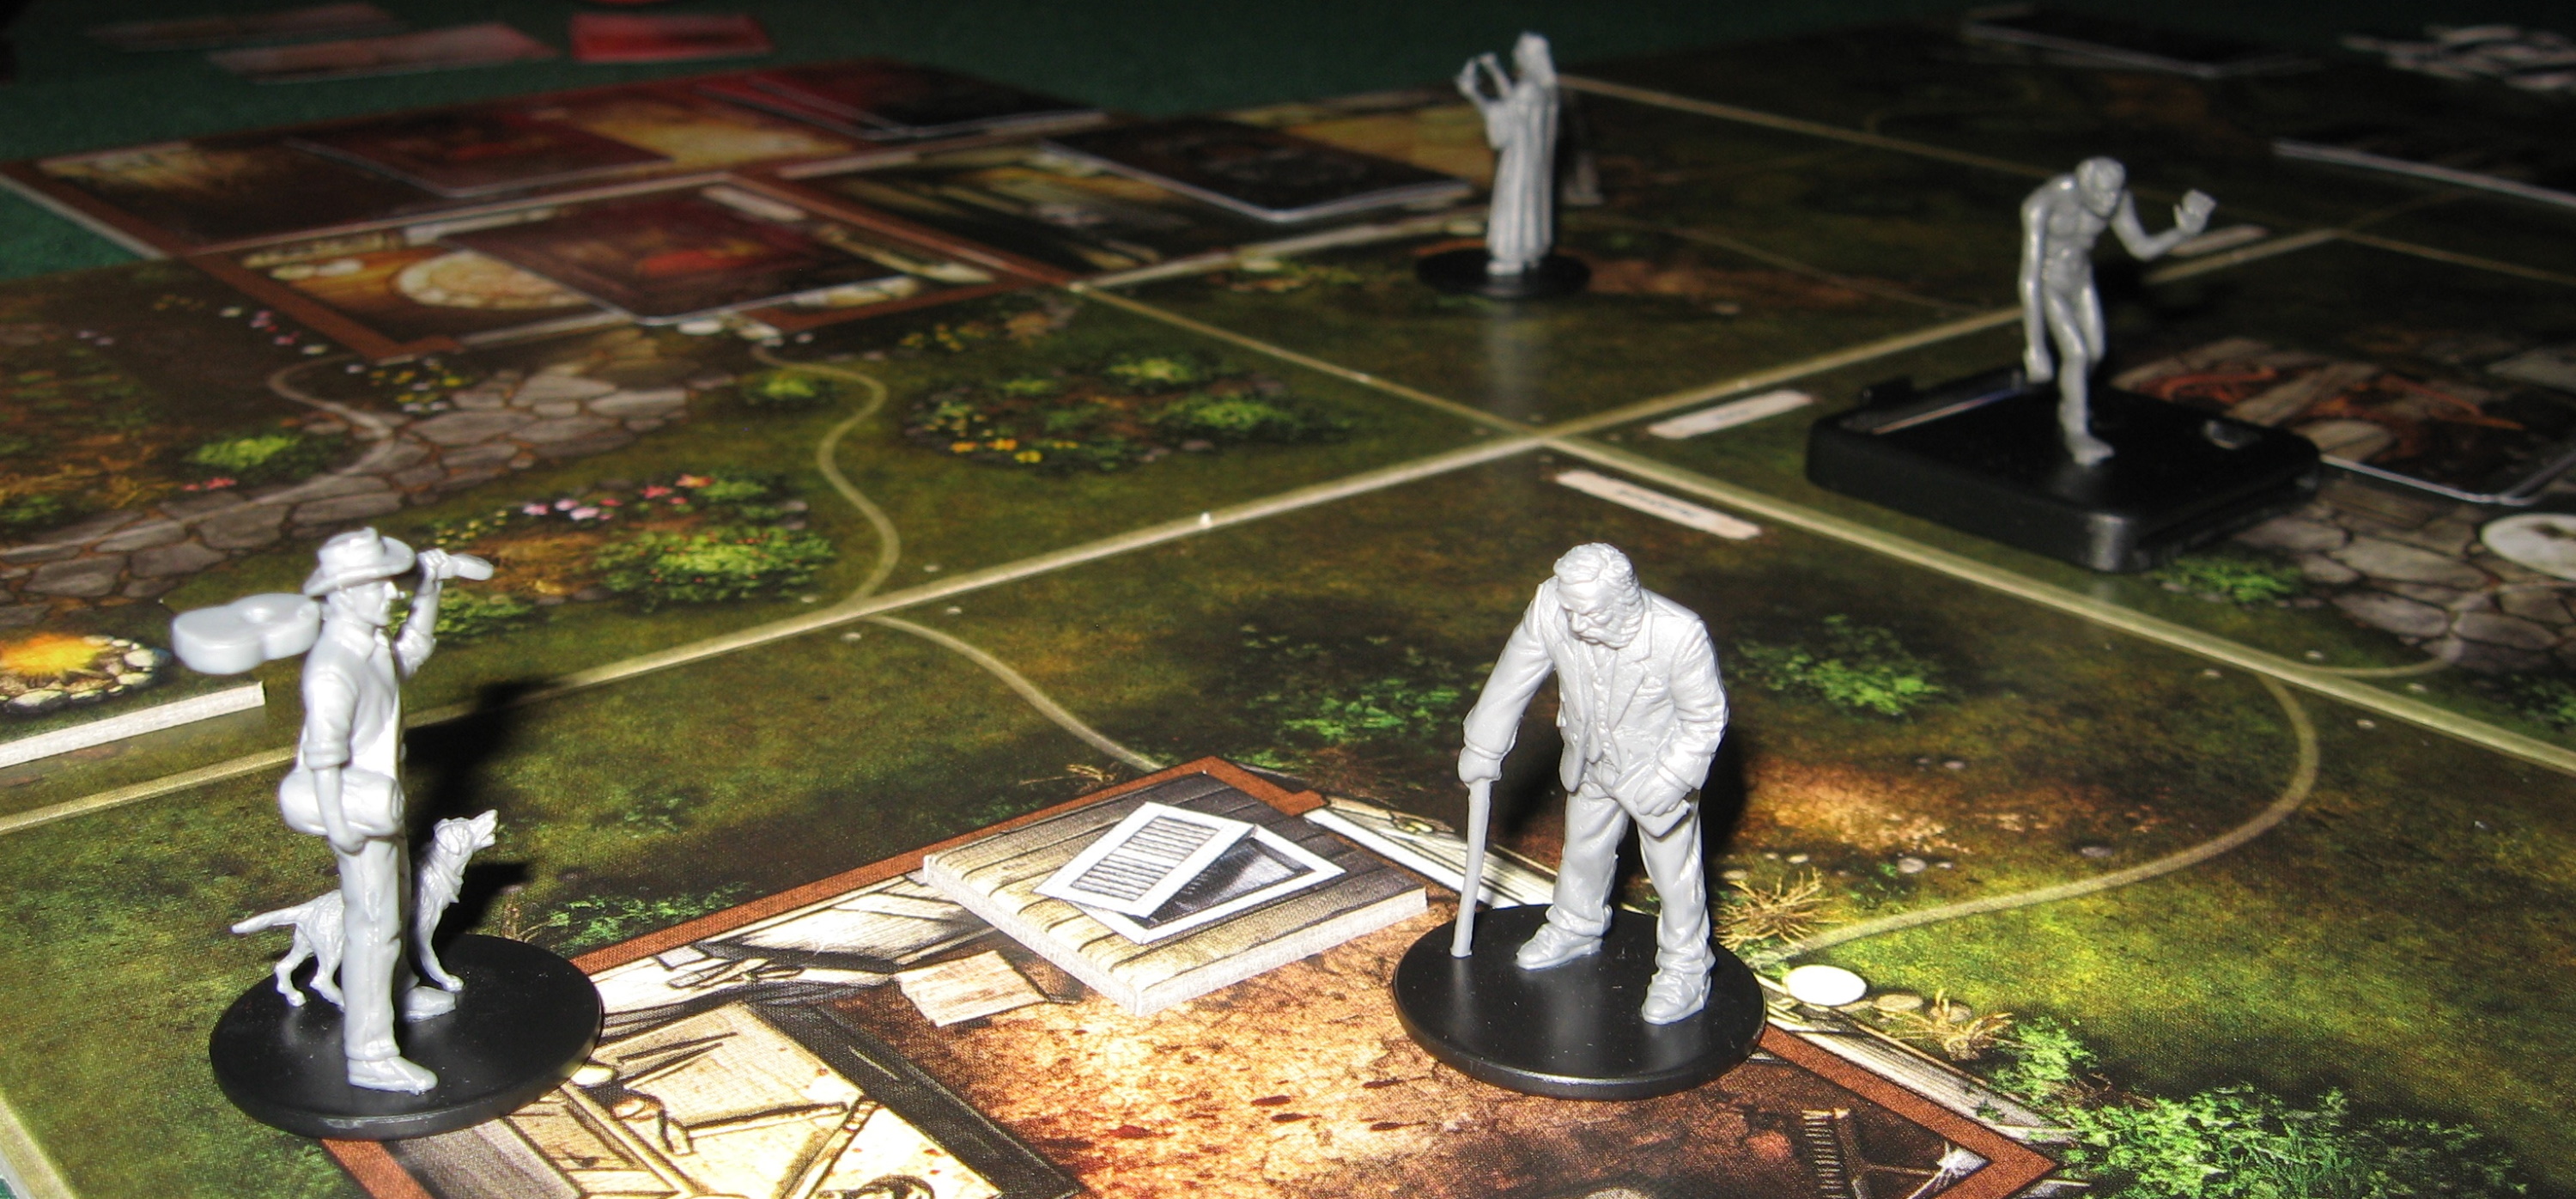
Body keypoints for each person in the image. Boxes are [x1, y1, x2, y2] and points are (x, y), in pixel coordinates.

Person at [1456, 543, 1728, 1023]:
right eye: (1572, 612)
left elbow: (1705, 718)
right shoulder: (1553, 603)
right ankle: (1576, 925)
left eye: (1593, 614)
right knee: (1583, 850)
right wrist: (1483, 746)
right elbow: (1514, 675)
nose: (1578, 625)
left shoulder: (1678, 633)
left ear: (1626, 600)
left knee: (1674, 874)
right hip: (1589, 758)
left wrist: (1671, 777)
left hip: (1654, 771)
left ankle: (1686, 967)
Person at [277, 529, 472, 1093]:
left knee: (401, 904)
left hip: (384, 803)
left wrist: (430, 589)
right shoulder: (334, 668)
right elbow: (323, 758)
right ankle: (369, 1053)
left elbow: (415, 649)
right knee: (374, 926)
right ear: (342, 594)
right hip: (357, 811)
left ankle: (399, 990)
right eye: (377, 585)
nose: (391, 593)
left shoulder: (371, 645)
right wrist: (345, 831)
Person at [2020, 156, 2215, 466]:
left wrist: (2183, 232)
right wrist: (2035, 347)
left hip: (2081, 280)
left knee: (2096, 354)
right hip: (2049, 282)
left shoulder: (2120, 200)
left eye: (2114, 192)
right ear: (2084, 187)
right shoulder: (2044, 202)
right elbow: (2029, 276)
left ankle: (2072, 402)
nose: (2110, 200)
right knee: (2077, 354)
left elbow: (2141, 248)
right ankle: (2077, 430)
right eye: (2102, 193)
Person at [1457, 32, 1560, 277]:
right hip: (1531, 158)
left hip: (1520, 160)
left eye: (1518, 51)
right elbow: (1512, 102)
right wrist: (1495, 70)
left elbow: (1502, 117)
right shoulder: (1541, 87)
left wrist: (1473, 94)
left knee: (1516, 201)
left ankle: (1513, 254)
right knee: (1530, 202)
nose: (1515, 54)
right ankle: (1530, 252)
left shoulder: (1529, 90)